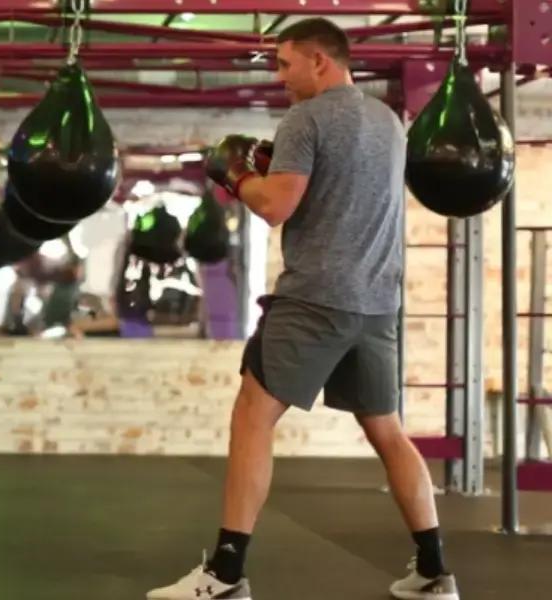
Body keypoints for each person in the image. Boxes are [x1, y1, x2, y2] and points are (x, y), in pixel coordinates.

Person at [145, 18, 458, 600]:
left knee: (251, 416)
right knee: (388, 431)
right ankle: (436, 572)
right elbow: (340, 194)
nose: (280, 76)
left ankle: (225, 576)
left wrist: (237, 174)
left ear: (320, 60)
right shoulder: (389, 122)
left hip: (314, 299)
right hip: (376, 302)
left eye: (286, 64)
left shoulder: (307, 118)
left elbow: (277, 207)